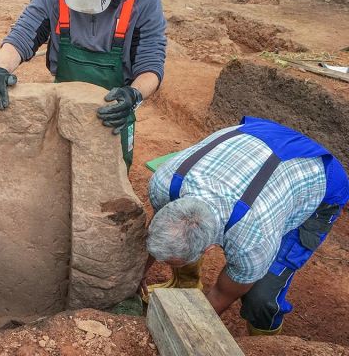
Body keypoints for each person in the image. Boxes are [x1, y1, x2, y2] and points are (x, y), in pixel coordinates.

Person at [141, 116, 349, 335]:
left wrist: (185, 333)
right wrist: (137, 274)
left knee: (261, 297)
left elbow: (222, 294)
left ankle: (264, 342)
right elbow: (161, 232)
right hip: (258, 135)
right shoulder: (164, 184)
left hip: (319, 176)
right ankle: (185, 285)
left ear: (209, 249)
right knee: (181, 241)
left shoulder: (253, 241)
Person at [0, 0, 166, 169]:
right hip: (65, 106)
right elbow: (23, 34)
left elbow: (151, 65)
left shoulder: (144, 0)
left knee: (110, 175)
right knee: (59, 169)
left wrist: (133, 95)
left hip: (115, 111)